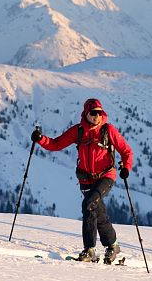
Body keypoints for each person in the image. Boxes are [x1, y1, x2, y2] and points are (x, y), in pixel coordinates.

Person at [31, 98, 133, 264]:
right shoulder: (78, 131)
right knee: (97, 213)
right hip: (85, 179)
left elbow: (126, 151)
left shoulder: (108, 130)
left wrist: (126, 168)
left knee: (89, 204)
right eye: (93, 113)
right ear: (86, 113)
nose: (96, 116)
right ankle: (113, 245)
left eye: (99, 113)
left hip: (106, 176)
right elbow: (56, 144)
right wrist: (40, 139)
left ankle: (90, 250)